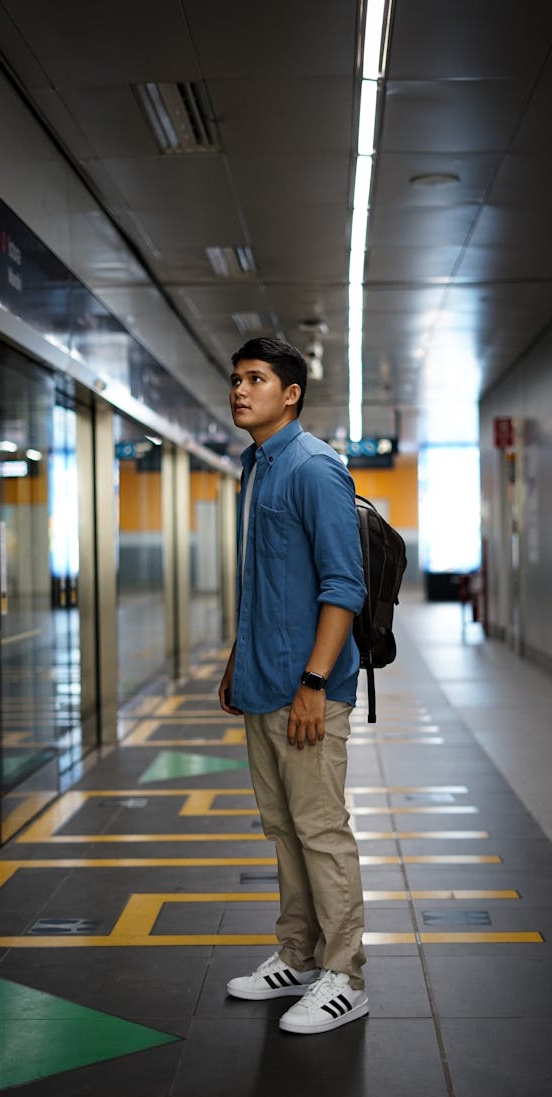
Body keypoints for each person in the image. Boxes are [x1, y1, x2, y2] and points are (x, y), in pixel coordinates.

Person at [218, 336, 368, 1035]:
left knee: (320, 828)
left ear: (291, 393)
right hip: (262, 683)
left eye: (256, 378)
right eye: (237, 378)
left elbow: (344, 586)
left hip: (308, 689)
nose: (240, 389)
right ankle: (298, 955)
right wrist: (237, 662)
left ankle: (344, 974)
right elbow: (268, 587)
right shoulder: (256, 467)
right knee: (284, 830)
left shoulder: (313, 468)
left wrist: (314, 680)